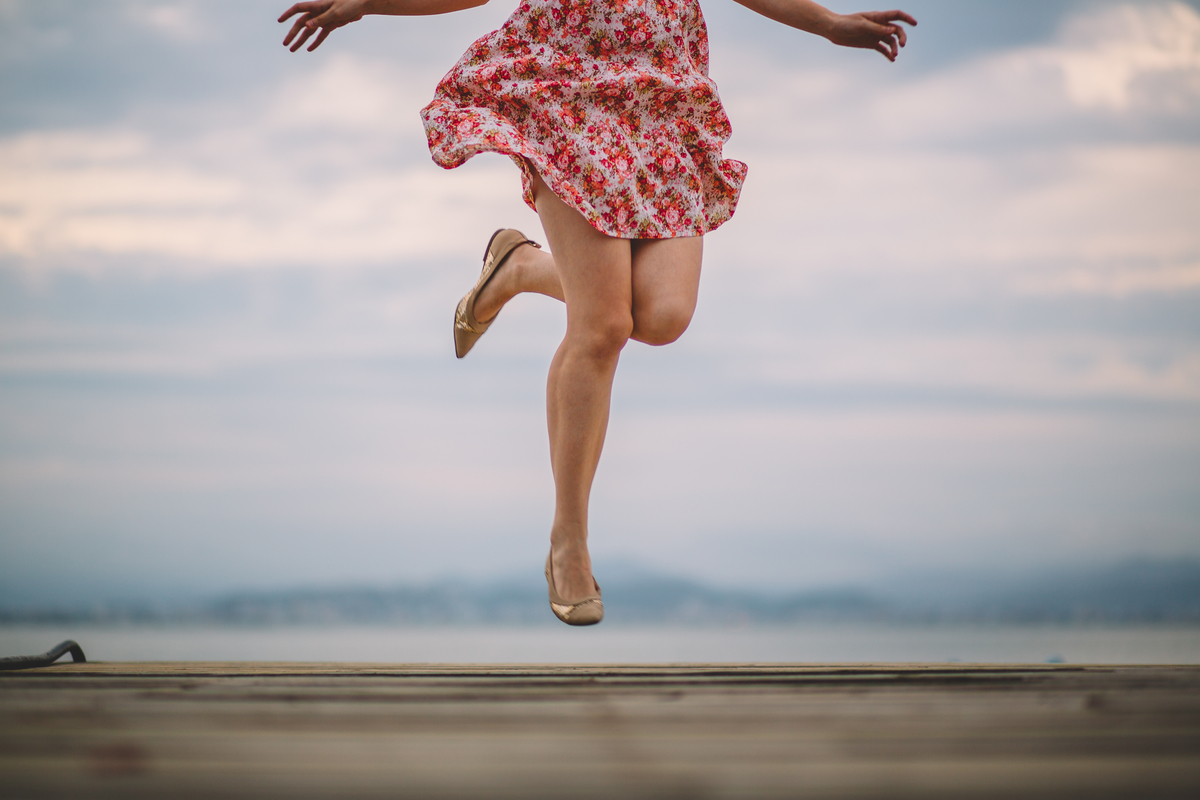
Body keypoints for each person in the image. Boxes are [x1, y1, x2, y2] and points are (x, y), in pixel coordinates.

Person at [279, 0, 916, 625]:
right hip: (570, 97)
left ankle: (521, 267)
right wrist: (366, 4)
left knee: (662, 316)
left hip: (663, 103)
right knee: (604, 324)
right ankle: (570, 541)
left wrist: (829, 23)